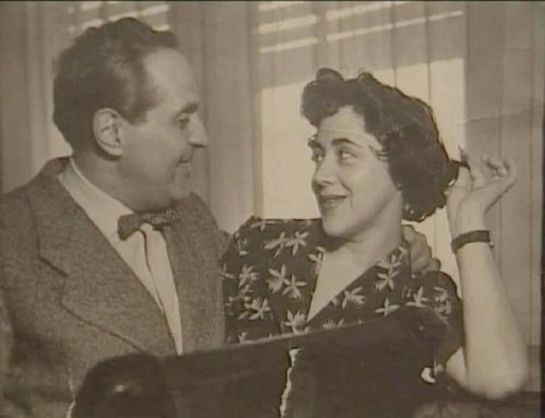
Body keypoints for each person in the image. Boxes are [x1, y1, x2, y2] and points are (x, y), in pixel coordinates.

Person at [0, 19, 435, 418]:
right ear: (112, 133)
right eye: (182, 119)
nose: (202, 136)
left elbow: (284, 257)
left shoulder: (192, 217)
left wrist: (395, 241)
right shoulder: (11, 241)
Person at [222, 69, 529, 417]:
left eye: (345, 154)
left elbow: (500, 378)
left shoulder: (420, 296)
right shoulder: (260, 246)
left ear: (401, 171)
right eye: (319, 154)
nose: (320, 176)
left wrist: (468, 221)